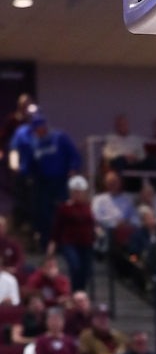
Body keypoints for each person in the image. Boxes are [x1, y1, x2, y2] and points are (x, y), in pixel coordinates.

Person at [16, 113, 81, 247]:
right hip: (44, 183)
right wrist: (21, 171)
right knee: (44, 213)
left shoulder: (59, 137)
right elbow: (29, 165)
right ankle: (46, 244)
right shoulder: (34, 144)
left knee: (65, 212)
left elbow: (75, 155)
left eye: (37, 129)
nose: (36, 132)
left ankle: (67, 244)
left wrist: (73, 169)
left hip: (61, 181)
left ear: (43, 127)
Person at [50, 174, 95, 291]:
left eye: (80, 192)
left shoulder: (88, 207)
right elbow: (57, 227)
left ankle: (81, 291)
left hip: (86, 243)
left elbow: (92, 223)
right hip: (69, 242)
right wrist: (53, 243)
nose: (78, 194)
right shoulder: (64, 207)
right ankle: (75, 291)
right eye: (75, 192)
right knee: (75, 266)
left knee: (86, 270)